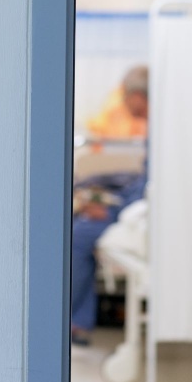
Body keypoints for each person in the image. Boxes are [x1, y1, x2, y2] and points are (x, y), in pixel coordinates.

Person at [71, 65, 149, 346]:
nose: (124, 103)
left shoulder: (161, 132)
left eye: (125, 96)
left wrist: (111, 210)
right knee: (80, 224)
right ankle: (78, 320)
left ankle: (75, 323)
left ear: (137, 97)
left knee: (78, 236)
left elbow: (146, 191)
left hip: (133, 212)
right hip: (130, 204)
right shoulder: (158, 129)